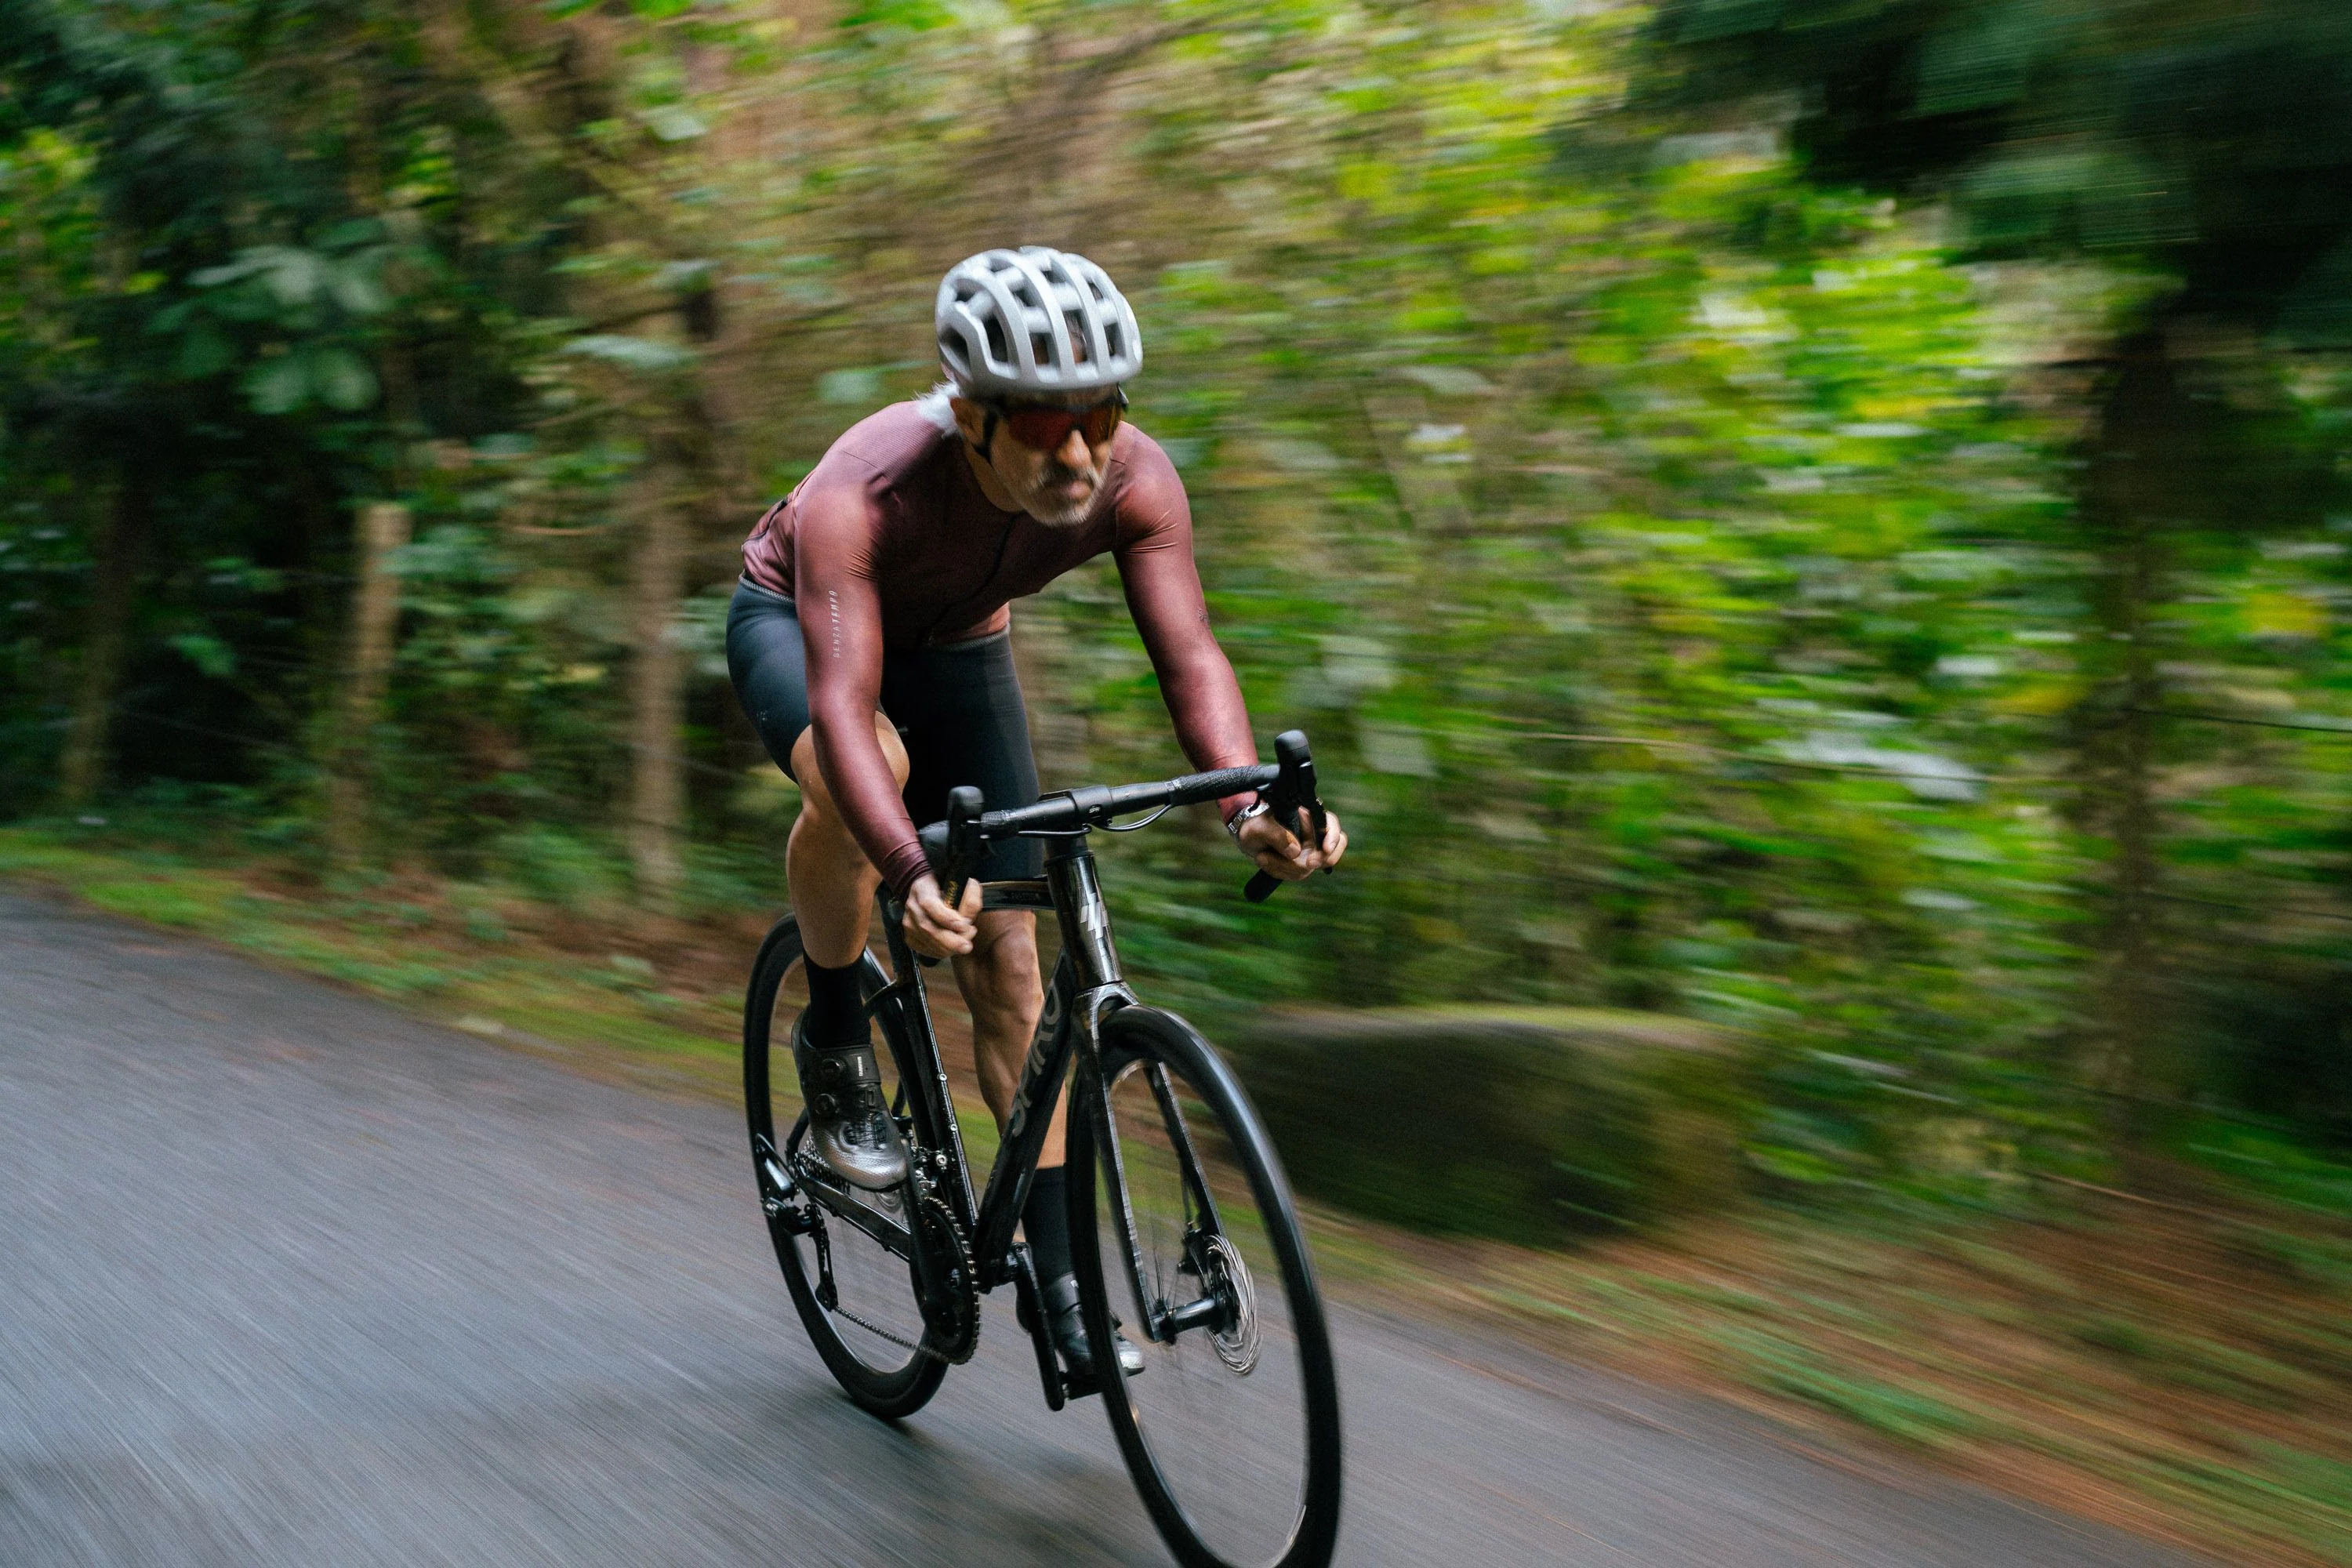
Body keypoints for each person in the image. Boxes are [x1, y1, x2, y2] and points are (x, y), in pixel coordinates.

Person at [726, 245, 1346, 1385]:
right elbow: (844, 699)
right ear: (970, 414)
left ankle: (1061, 1293)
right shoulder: (866, 489)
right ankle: (832, 1039)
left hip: (963, 650)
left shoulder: (1135, 477)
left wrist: (1248, 800)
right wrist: (908, 865)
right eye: (1045, 425)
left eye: (1101, 415)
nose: (1080, 452)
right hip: (799, 628)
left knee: (1014, 961)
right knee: (862, 763)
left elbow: (1190, 654)